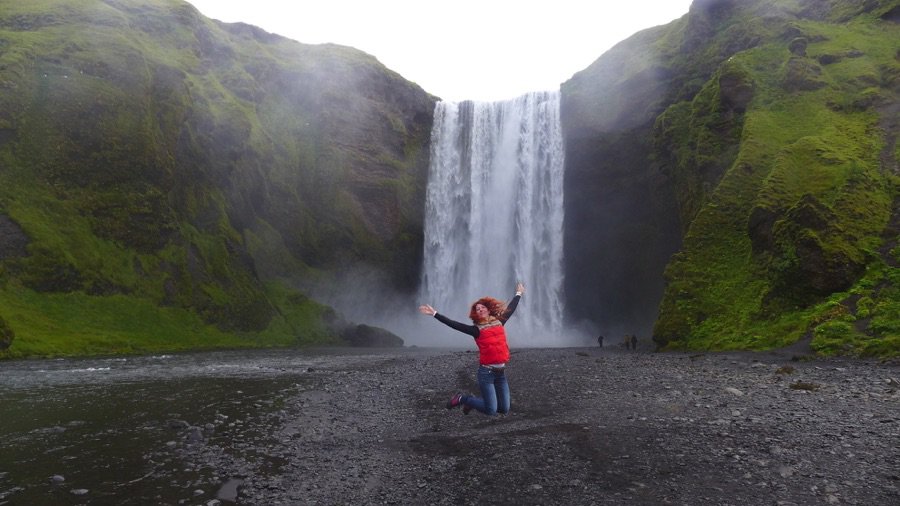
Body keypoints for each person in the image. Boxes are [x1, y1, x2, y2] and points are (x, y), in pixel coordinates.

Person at [418, 282, 525, 416]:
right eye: (477, 309)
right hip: (486, 373)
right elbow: (455, 325)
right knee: (491, 410)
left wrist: (519, 293)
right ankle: (463, 399)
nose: (479, 309)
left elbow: (511, 308)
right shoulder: (476, 330)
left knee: (504, 409)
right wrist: (435, 314)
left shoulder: (499, 321)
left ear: (488, 309)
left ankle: (471, 402)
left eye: (482, 307)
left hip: (500, 373)